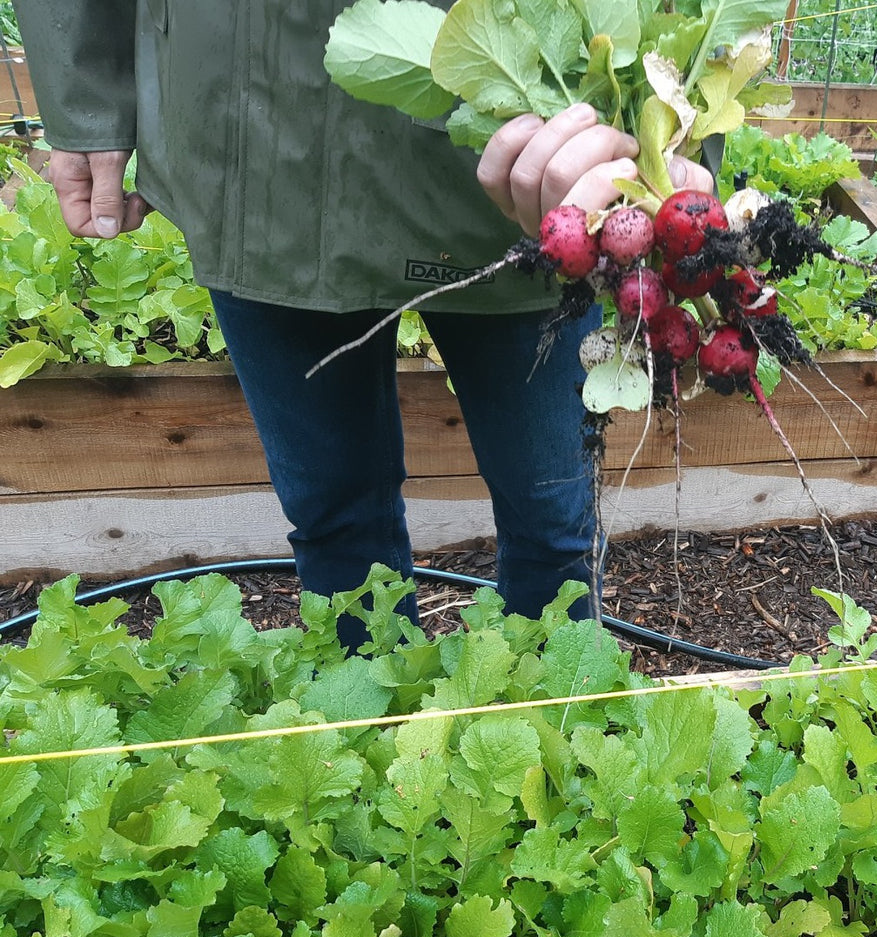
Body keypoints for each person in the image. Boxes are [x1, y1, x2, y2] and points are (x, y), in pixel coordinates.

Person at [14, 4, 712, 644]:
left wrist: (671, 131)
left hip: (527, 155)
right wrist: (86, 103)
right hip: (251, 128)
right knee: (334, 518)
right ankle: (374, 718)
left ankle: (555, 715)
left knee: (555, 520)